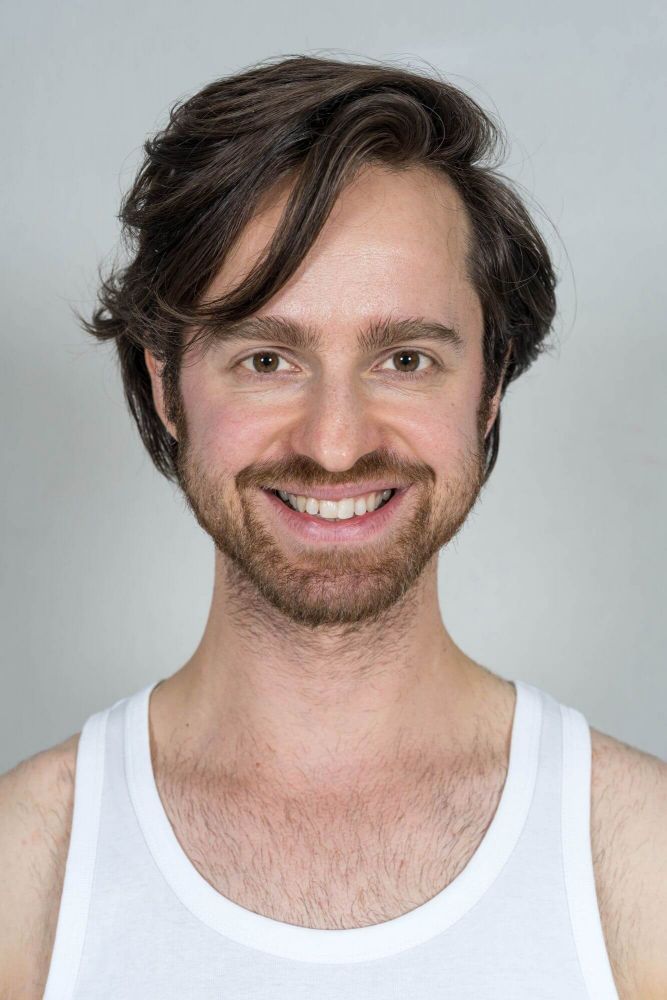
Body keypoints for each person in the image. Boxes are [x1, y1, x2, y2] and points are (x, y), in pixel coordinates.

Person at [1, 54, 664, 999]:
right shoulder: (25, 873)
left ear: (489, 385)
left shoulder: (640, 863)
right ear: (166, 385)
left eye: (405, 359)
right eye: (267, 360)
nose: (336, 444)